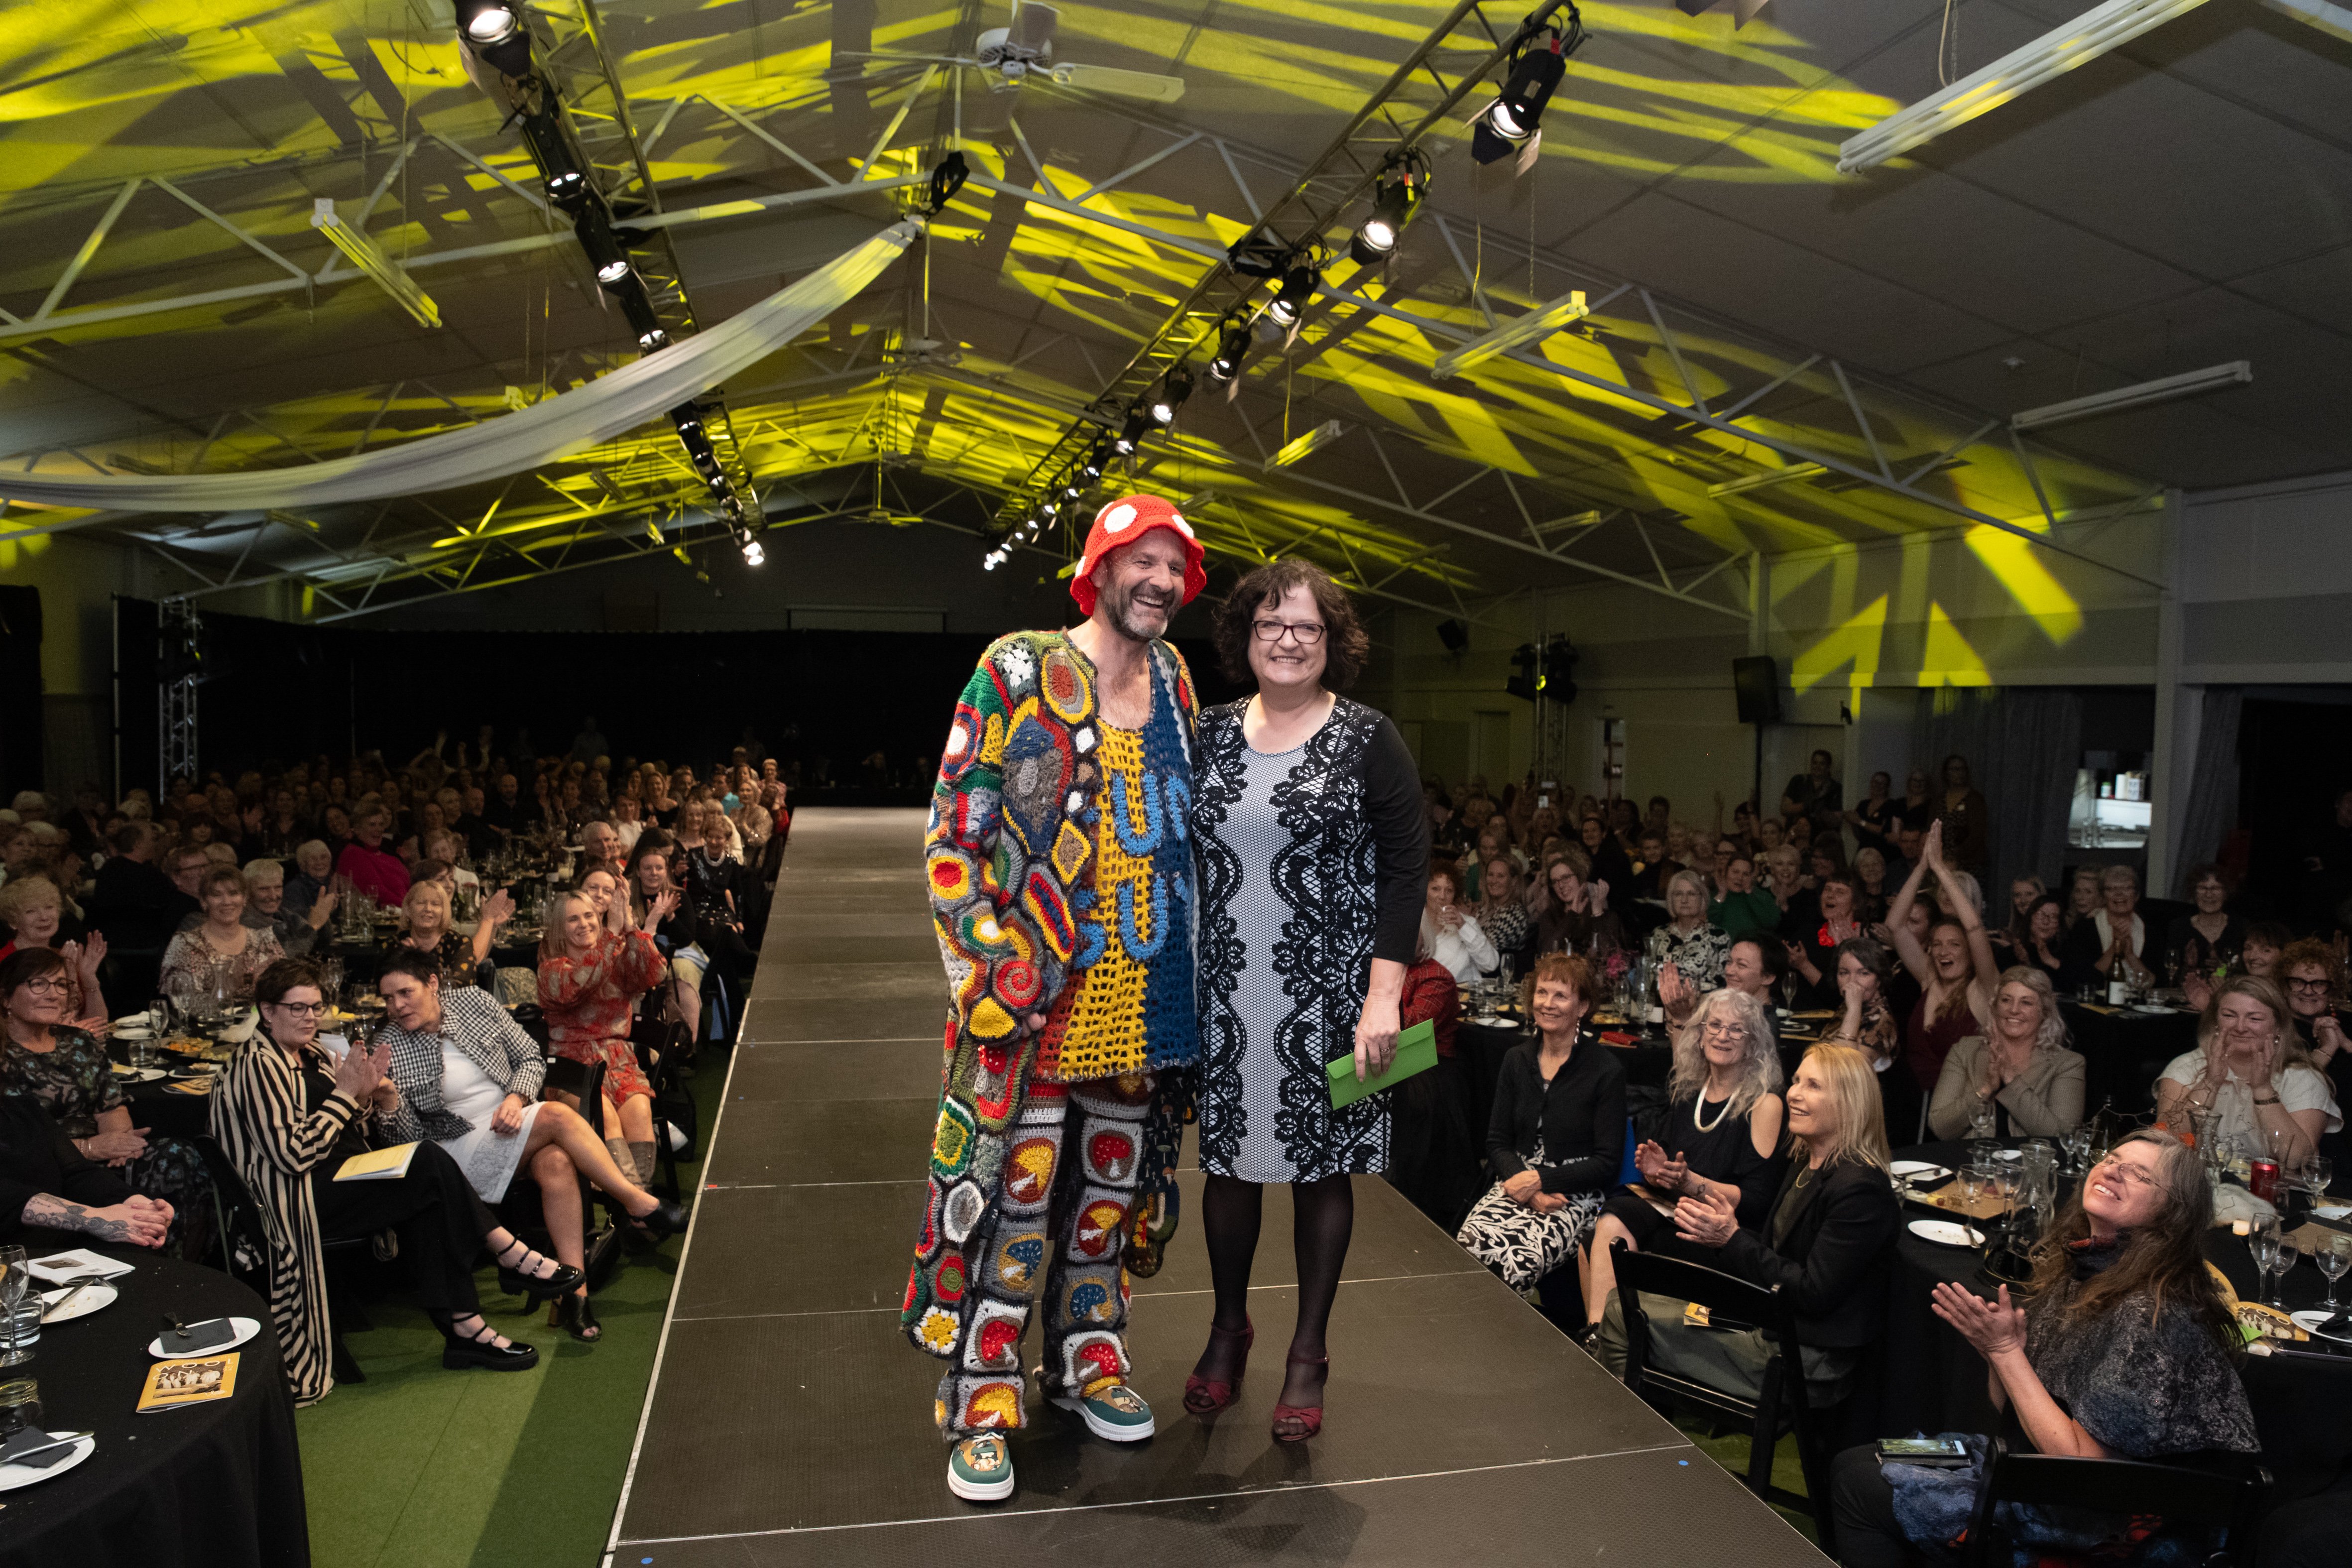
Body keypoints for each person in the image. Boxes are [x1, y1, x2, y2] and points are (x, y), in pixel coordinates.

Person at [906, 495, 1207, 1503]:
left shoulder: (1174, 679)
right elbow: (955, 832)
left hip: (1144, 1000)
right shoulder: (1018, 667)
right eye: (1144, 560)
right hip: (1037, 1005)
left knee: (1105, 1206)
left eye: (1176, 566)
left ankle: (1086, 1355)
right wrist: (994, 968)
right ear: (1100, 567)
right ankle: (983, 1395)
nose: (1161, 579)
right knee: (1015, 1202)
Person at [1185, 555, 1425, 1451]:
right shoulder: (1205, 732)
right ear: (1244, 636)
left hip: (1336, 995)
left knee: (1322, 1173)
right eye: (1269, 624)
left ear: (1332, 642)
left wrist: (1384, 999)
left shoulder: (1369, 737)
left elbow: (1406, 870)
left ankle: (1307, 1351)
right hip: (1226, 992)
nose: (1287, 640)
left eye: (1306, 628)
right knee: (1228, 1168)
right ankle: (1226, 1326)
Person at [1830, 1130, 2258, 1568]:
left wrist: (2005, 1352)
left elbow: (2082, 1467)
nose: (2113, 1169)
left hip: (2105, 1523)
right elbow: (2014, 1411)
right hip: (2038, 1475)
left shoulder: (2151, 1311)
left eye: (2139, 1174)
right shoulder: (2087, 1267)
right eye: (2112, 1158)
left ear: (2172, 1212)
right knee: (1854, 1464)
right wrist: (2000, 1351)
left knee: (1861, 1486)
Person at [216, 959, 579, 1399]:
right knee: (426, 1163)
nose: (309, 1017)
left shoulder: (309, 1054)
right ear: (267, 1011)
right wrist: (347, 1094)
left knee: (426, 1184)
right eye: (296, 1008)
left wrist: (373, 1094)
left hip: (334, 1178)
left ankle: (468, 1327)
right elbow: (293, 1155)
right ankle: (507, 1255)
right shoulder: (256, 1066)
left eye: (314, 1007)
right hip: (293, 1201)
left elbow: (349, 1124)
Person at [374, 950, 687, 1342]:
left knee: (556, 1161)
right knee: (555, 1115)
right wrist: (387, 1098)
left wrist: (516, 1098)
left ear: (433, 983)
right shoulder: (387, 1045)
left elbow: (530, 1057)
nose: (397, 1006)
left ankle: (576, 1295)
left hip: (513, 1124)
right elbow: (406, 1144)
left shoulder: (475, 1002)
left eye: (405, 992)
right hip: (454, 1152)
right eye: (388, 999)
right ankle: (636, 1202)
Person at [1596, 1043, 1898, 1416]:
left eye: (1814, 1086)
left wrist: (1731, 1238)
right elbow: (1777, 1254)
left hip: (1802, 1358)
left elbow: (1813, 1292)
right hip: (1769, 1325)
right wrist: (1725, 1234)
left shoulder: (1860, 1188)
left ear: (1850, 1102)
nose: (1794, 1093)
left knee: (1622, 1314)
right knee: (1620, 1303)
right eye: (1797, 1080)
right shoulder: (1809, 1162)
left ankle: (1621, 1435)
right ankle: (1639, 1434)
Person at [1580, 987, 1784, 1338]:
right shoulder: (1689, 1091)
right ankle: (1602, 1335)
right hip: (1676, 1212)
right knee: (1608, 1220)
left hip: (1725, 1232)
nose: (1722, 1035)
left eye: (1736, 1029)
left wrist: (1691, 1183)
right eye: (1715, 1025)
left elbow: (1757, 1200)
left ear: (1753, 1043)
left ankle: (1608, 1342)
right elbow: (1671, 1175)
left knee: (1603, 1237)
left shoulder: (1765, 1104)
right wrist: (1658, 1172)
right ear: (1700, 1033)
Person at [0, 946, 213, 1257]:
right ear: (6, 997)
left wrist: (119, 1143)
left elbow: (111, 1103)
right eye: (38, 984)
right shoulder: (4, 1056)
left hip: (93, 1162)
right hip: (46, 1169)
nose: (53, 994)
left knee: (183, 1157)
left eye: (61, 985)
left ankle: (178, 1267)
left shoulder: (78, 1041)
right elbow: (24, 1152)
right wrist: (92, 1147)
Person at [1457, 954, 1626, 1319]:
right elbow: (1497, 1142)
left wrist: (1540, 1180)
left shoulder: (1605, 1070)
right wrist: (1529, 1187)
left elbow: (1607, 1162)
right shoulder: (1517, 1059)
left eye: (1561, 995)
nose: (1548, 1003)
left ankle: (1504, 1349)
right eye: (1542, 992)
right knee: (1467, 1244)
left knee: (1518, 1261)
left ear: (1582, 1006)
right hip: (1518, 1178)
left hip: (1575, 1192)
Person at [539, 881, 672, 1185]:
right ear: (560, 929)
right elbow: (582, 982)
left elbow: (653, 973)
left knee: (640, 1111)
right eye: (573, 919)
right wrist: (611, 935)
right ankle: (637, 1206)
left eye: (589, 916)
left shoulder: (613, 955)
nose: (584, 924)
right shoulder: (552, 970)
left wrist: (631, 928)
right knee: (605, 1117)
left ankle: (637, 1203)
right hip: (574, 1068)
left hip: (619, 1061)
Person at [2155, 975, 2339, 1171]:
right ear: (2216, 1020)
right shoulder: (2187, 1067)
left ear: (2278, 1027)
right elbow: (2165, 1143)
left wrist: (2263, 1089)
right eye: (2229, 1016)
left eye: (2255, 1018)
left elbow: (2295, 1160)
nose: (2240, 1027)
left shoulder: (2304, 1078)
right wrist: (2210, 1083)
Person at [1886, 822, 1999, 1099]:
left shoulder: (1983, 987)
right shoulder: (1928, 979)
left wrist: (1940, 869)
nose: (1943, 952)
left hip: (1953, 1104)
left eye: (1954, 945)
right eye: (1937, 945)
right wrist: (1922, 867)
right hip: (1909, 1098)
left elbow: (1974, 928)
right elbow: (1895, 926)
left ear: (1969, 952)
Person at [1928, 966, 2087, 1140]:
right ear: (1995, 1007)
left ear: (2044, 1012)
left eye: (2026, 1003)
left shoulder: (2067, 1064)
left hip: (2031, 1165)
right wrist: (1985, 1090)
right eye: (2006, 1000)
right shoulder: (1965, 1051)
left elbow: (2062, 1137)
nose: (2014, 1010)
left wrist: (2011, 1081)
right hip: (1970, 1161)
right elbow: (1940, 1129)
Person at [0, 1089, 172, 1248]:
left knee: (138, 1246)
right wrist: (91, 1217)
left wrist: (137, 1205)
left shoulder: (24, 1108)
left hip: (58, 1242)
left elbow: (76, 1172)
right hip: (12, 1250)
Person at [1825, 935, 1916, 1141]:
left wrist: (1854, 1009)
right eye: (1844, 973)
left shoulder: (1882, 1021)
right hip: (1836, 1111)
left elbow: (1843, 1070)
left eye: (1863, 973)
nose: (1851, 982)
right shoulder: (1847, 1008)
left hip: (1864, 1125)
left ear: (1879, 980)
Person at [160, 864, 285, 1003]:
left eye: (233, 894)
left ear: (244, 899)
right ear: (204, 902)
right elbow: (182, 1003)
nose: (227, 902)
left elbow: (286, 989)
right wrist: (229, 986)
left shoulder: (265, 940)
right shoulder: (187, 945)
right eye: (217, 895)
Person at [0, 876, 105, 1026]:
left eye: (50, 907)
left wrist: (88, 977)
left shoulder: (63, 956)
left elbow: (99, 1025)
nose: (44, 917)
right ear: (13, 922)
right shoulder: (5, 962)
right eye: (31, 911)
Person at [2057, 862, 2155, 996]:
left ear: (2136, 895)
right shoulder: (2084, 929)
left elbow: (2155, 983)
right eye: (2111, 889)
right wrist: (2115, 947)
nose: (2119, 894)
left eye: (2127, 888)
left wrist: (2130, 955)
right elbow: (2083, 980)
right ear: (2103, 897)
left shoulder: (2151, 932)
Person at [397, 878, 510, 991]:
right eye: (421, 903)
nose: (428, 909)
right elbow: (386, 988)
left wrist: (416, 961)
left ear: (444, 911)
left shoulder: (459, 944)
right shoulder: (395, 945)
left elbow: (460, 989)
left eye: (435, 904)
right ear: (407, 909)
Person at [1784, 870, 1867, 1010]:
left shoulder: (1864, 938)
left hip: (1835, 1020)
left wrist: (1805, 966)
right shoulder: (1807, 932)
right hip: (1797, 1014)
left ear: (1856, 903)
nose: (1830, 895)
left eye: (1840, 892)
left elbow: (1839, 999)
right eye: (1828, 889)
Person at [1645, 870, 1729, 991]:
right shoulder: (1659, 934)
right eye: (1678, 894)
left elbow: (1721, 985)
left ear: (1702, 898)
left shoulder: (1718, 937)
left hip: (1704, 1006)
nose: (1684, 900)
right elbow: (1649, 979)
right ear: (1671, 899)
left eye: (1692, 894)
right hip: (1662, 1005)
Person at [239, 857, 336, 957]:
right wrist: (314, 926)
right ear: (247, 892)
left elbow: (322, 943)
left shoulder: (284, 915)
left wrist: (323, 915)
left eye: (278, 888)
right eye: (264, 889)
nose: (273, 896)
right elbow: (286, 956)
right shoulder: (245, 923)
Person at [1534, 848, 1623, 956]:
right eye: (1555, 882)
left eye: (1566, 878)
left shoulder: (1608, 916)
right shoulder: (1549, 916)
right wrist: (1572, 914)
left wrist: (1597, 913)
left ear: (1580, 878)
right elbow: (1546, 953)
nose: (1561, 886)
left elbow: (1610, 958)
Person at [2163, 864, 2243, 982]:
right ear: (2194, 892)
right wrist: (2189, 967)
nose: (2209, 895)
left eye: (2216, 889)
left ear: (2226, 893)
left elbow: (2247, 977)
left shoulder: (2240, 927)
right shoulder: (2178, 928)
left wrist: (2222, 970)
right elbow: (2168, 979)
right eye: (2203, 888)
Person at [1420, 864, 1496, 984]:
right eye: (1435, 889)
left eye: (1449, 891)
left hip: (1462, 997)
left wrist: (1462, 926)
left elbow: (1490, 964)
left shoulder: (1467, 923)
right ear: (1424, 889)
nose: (1442, 896)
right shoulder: (1414, 923)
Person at [336, 804, 410, 905]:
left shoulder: (388, 855)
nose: (379, 829)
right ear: (357, 830)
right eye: (372, 825)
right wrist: (410, 909)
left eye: (381, 824)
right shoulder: (353, 854)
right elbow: (378, 893)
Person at [1473, 852, 1532, 975]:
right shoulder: (1485, 909)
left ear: (1514, 881)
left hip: (1495, 982)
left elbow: (1485, 950)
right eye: (1491, 875)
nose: (1494, 881)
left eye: (1501, 876)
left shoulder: (1514, 914)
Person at [1934, 753, 1990, 874]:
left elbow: (1978, 833)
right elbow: (1931, 828)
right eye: (1954, 769)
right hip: (1943, 860)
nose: (1959, 773)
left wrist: (1956, 853)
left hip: (1969, 862)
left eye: (1962, 769)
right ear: (1946, 773)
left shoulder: (1975, 799)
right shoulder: (1939, 800)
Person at [1707, 852, 1779, 941]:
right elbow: (1708, 923)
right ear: (1726, 872)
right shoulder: (1713, 896)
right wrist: (1721, 895)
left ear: (1752, 877)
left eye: (1746, 874)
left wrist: (1750, 894)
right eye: (1735, 872)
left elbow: (1772, 923)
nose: (1740, 878)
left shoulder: (1761, 896)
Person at [2009, 893, 2066, 985]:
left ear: (2059, 925)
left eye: (2053, 917)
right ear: (2030, 918)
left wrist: (2051, 961)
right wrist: (2024, 965)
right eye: (2041, 915)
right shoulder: (2014, 952)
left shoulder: (2068, 951)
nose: (2046, 922)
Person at [1781, 749, 1842, 834]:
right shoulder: (1798, 780)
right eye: (1815, 763)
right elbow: (1784, 809)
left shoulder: (1835, 788)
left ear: (1829, 767)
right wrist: (1806, 805)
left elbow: (1836, 822)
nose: (1817, 767)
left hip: (1821, 838)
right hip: (1796, 835)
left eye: (1822, 764)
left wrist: (1821, 810)